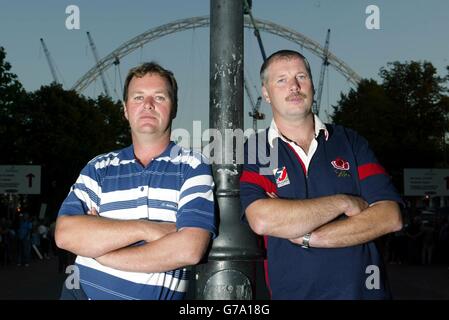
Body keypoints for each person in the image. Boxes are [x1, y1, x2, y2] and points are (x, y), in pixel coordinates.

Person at [240, 50, 403, 299]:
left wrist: (307, 236)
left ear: (312, 85)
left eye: (301, 76)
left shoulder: (350, 141)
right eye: (281, 79)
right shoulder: (258, 149)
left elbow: (390, 216)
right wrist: (344, 202)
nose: (294, 86)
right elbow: (262, 219)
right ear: (266, 92)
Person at [55, 62, 216, 300]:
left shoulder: (192, 165)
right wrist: (150, 228)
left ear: (174, 108)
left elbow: (189, 249)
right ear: (125, 109)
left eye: (159, 97)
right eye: (138, 97)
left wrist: (102, 252)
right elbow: (66, 234)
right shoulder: (98, 167)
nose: (148, 105)